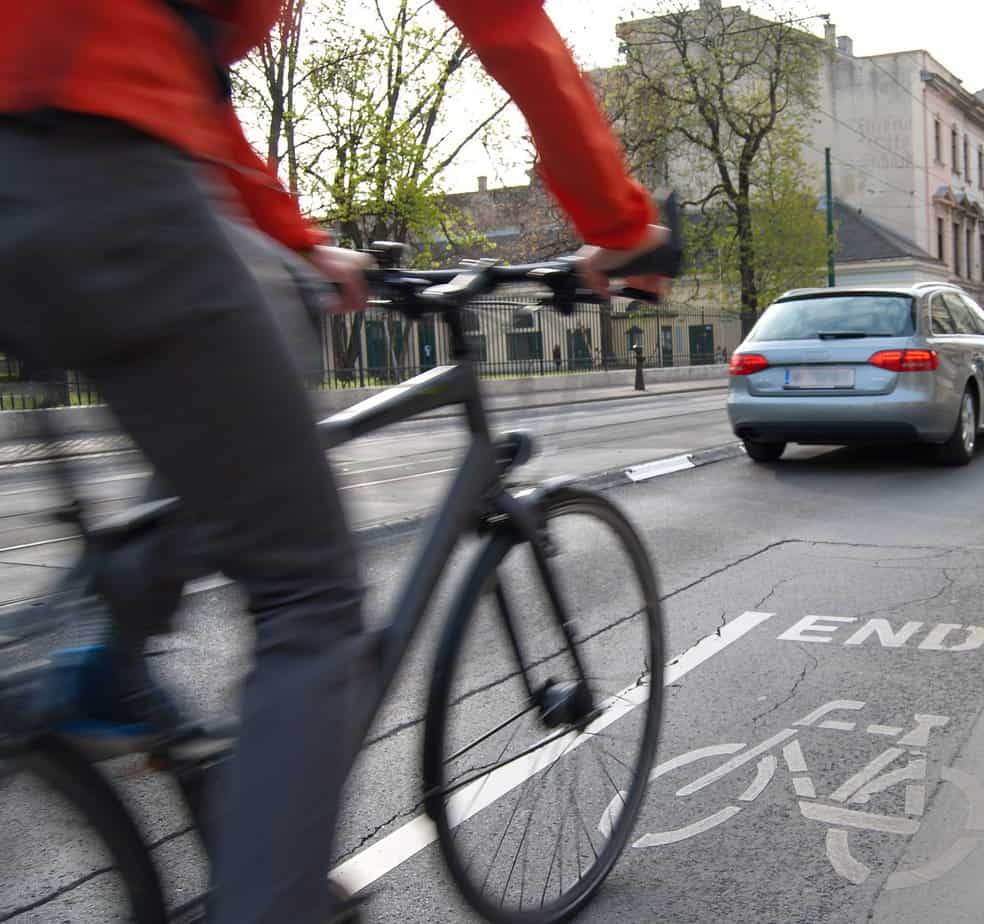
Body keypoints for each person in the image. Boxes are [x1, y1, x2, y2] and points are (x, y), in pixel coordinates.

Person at [0, 3, 671, 922]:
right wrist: (619, 222)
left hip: (63, 158)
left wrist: (297, 240)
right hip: (93, 164)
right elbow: (511, 28)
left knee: (269, 321)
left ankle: (112, 657)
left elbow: (178, 76)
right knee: (309, 597)